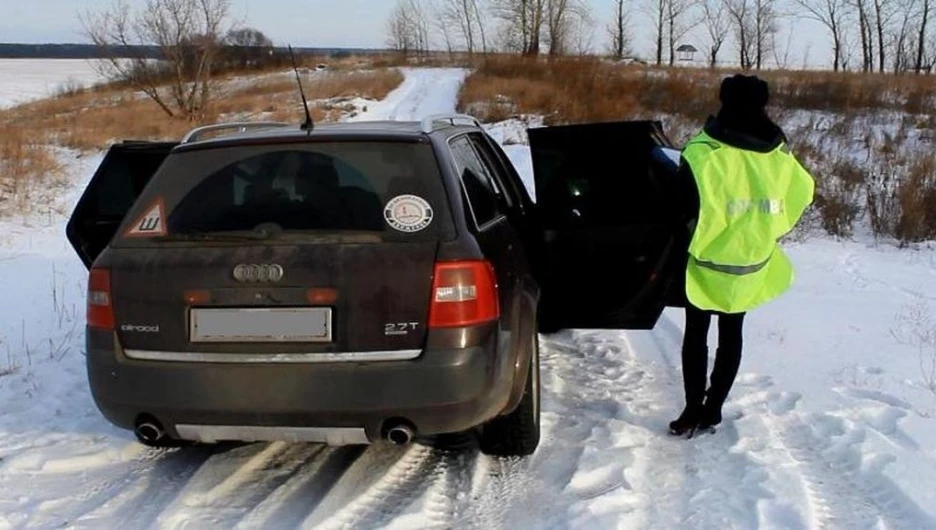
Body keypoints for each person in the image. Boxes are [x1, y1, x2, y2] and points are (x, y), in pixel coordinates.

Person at [668, 74, 815, 438]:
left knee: (696, 334)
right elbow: (802, 192)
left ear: (723, 100)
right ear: (763, 103)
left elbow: (681, 207)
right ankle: (713, 408)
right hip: (751, 262)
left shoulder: (703, 151)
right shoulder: (779, 154)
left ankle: (691, 409)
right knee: (732, 333)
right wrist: (772, 230)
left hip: (705, 263)